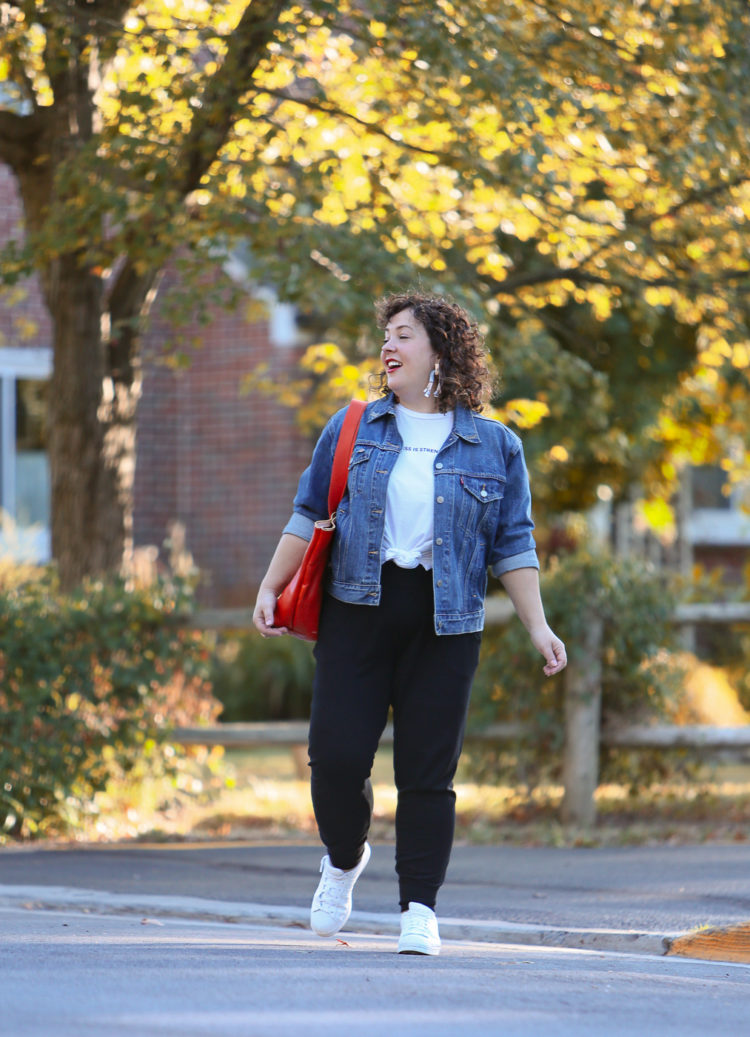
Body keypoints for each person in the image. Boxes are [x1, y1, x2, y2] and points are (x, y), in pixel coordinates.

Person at [253, 291, 566, 955]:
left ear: (441, 351)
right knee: (336, 759)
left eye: (404, 334)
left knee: (428, 770)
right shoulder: (353, 427)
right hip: (357, 610)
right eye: (386, 335)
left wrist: (538, 625)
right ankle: (344, 858)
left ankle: (419, 905)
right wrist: (271, 584)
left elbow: (514, 544)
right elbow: (309, 511)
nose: (388, 346)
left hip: (446, 623)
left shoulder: (496, 446)